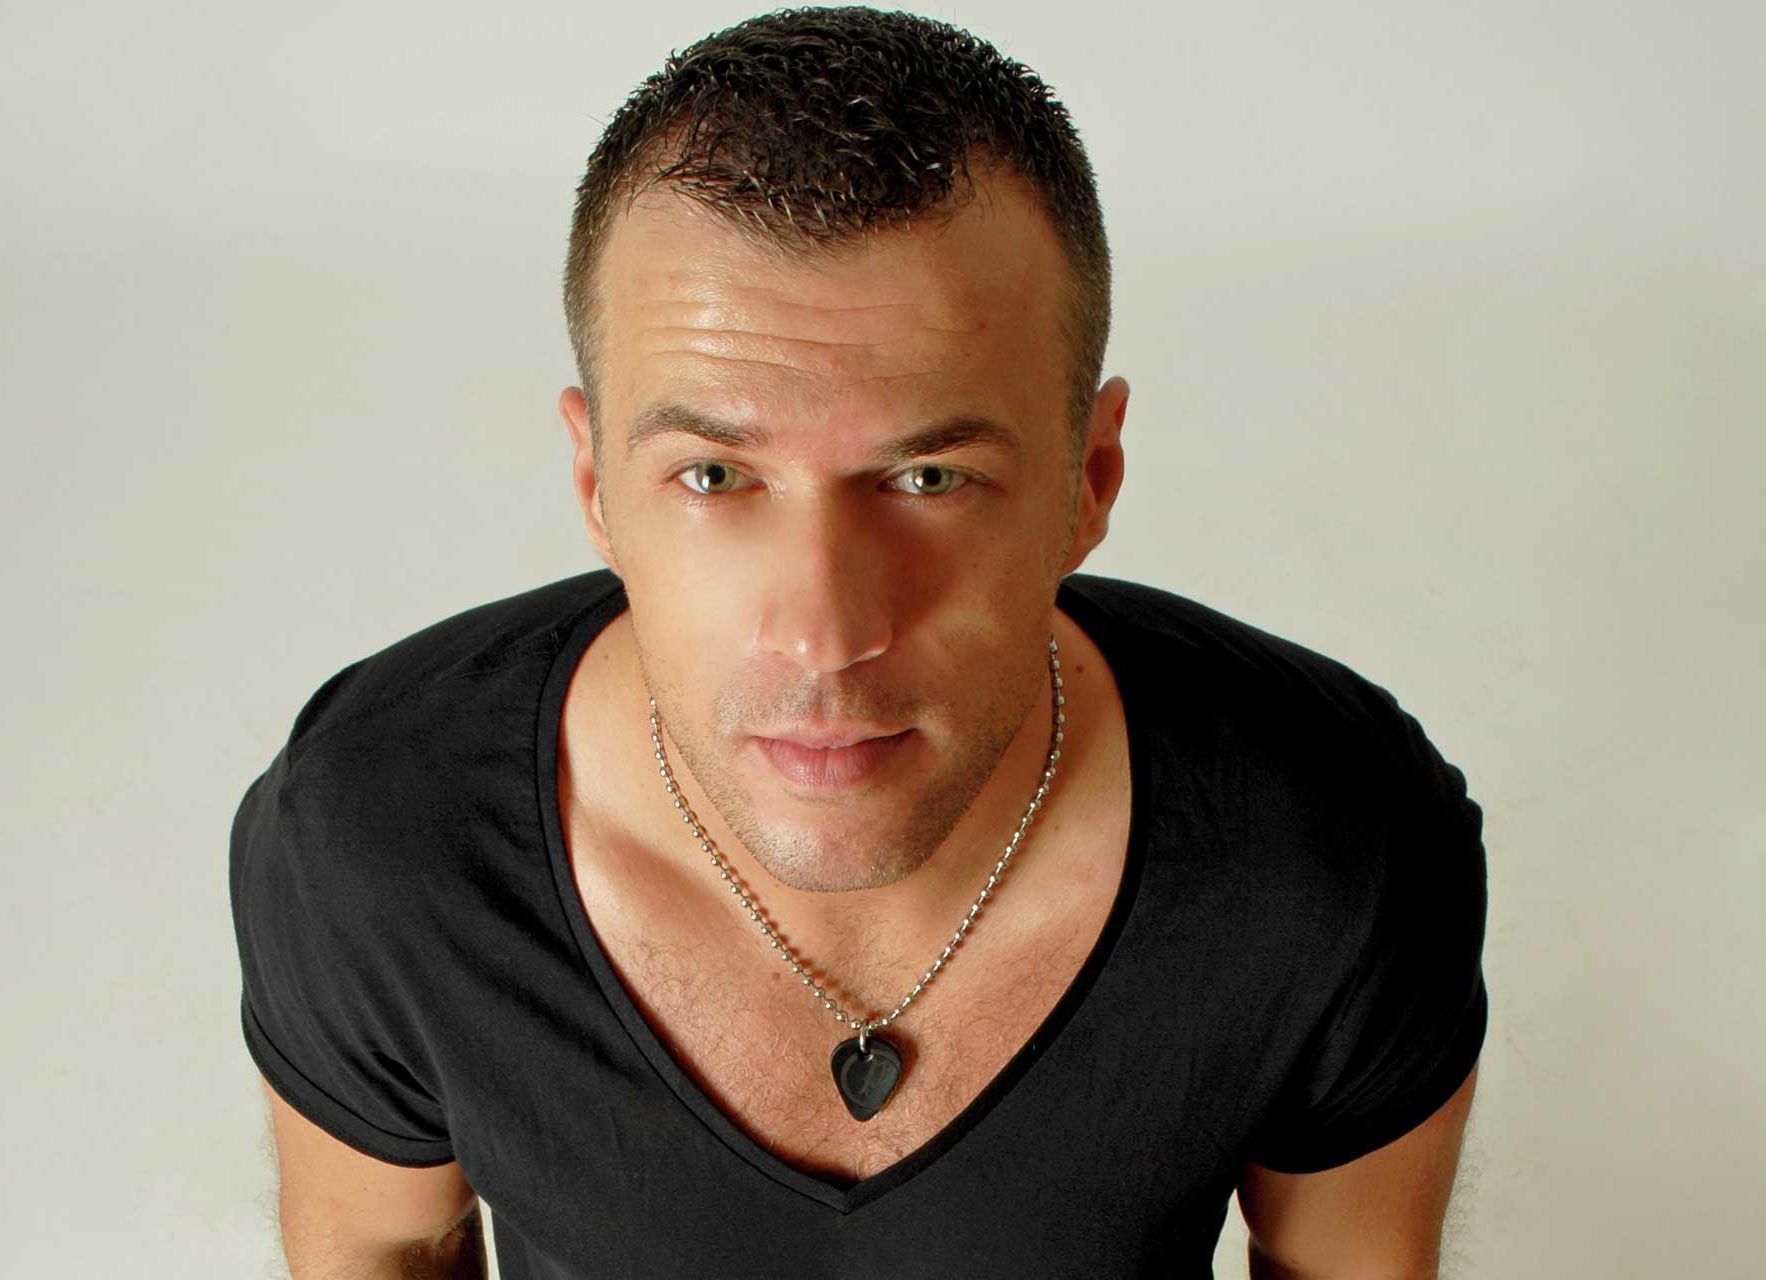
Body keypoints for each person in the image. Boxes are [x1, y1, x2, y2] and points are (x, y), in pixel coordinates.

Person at [229, 7, 1489, 1277]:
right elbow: (381, 1246)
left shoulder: (1339, 842)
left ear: (1090, 477)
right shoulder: (377, 833)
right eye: (715, 474)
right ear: (596, 481)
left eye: (929, 477)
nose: (825, 635)